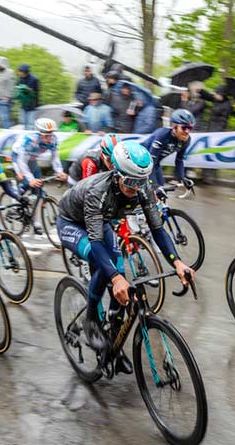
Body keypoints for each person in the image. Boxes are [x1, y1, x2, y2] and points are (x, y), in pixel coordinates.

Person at [57, 141, 195, 370]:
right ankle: (91, 318)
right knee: (103, 264)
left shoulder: (142, 187)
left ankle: (113, 344)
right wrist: (114, 278)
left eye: (139, 181)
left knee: (120, 274)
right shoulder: (97, 190)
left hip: (102, 223)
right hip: (72, 222)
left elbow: (158, 229)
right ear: (116, 173)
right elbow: (96, 240)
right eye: (129, 181)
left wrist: (177, 261)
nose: (135, 187)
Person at [11, 118, 68, 233]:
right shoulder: (30, 141)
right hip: (18, 158)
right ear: (39, 134)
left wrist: (59, 171)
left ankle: (36, 221)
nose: (49, 138)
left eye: (51, 135)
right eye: (46, 136)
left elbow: (55, 158)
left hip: (31, 159)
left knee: (39, 190)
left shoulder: (53, 140)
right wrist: (30, 179)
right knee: (25, 181)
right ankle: (16, 200)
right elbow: (22, 162)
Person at [143, 108, 195, 187]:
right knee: (152, 190)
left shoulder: (186, 140)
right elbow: (151, 161)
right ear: (174, 126)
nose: (187, 132)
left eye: (190, 128)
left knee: (161, 190)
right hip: (141, 160)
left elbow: (179, 160)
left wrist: (182, 178)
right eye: (184, 128)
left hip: (154, 163)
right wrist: (153, 184)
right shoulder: (162, 135)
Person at [0, 56, 15, 129]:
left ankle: (7, 132)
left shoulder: (10, 72)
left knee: (5, 117)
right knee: (1, 118)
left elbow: (11, 86)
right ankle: (5, 130)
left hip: (5, 99)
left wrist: (7, 97)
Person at [15, 64, 39, 128]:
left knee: (30, 124)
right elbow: (17, 89)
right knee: (22, 124)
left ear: (25, 71)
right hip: (23, 105)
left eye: (20, 71)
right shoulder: (20, 79)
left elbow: (36, 92)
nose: (19, 73)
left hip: (32, 106)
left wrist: (27, 90)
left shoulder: (34, 79)